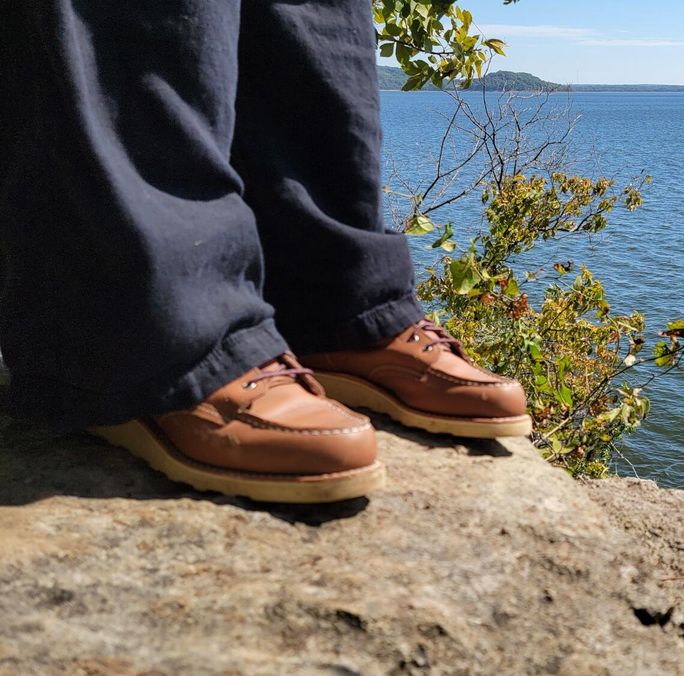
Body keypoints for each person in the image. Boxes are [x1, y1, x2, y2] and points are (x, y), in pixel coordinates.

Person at [0, 1, 529, 504]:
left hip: (331, 289)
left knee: (309, 17)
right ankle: (142, 335)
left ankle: (336, 311)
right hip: (138, 322)